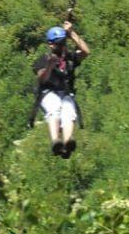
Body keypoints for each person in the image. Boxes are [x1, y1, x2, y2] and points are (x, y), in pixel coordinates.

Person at [32, 20, 90, 158]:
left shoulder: (69, 58)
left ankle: (68, 140)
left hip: (65, 93)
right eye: (59, 44)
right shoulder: (44, 59)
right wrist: (50, 66)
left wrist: (72, 33)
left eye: (63, 43)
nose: (62, 46)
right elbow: (42, 79)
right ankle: (55, 141)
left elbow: (85, 52)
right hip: (48, 93)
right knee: (54, 107)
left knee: (68, 111)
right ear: (51, 45)